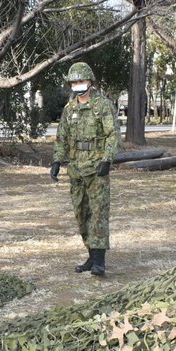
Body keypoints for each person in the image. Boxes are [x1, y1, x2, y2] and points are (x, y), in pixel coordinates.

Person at [51, 62, 120, 277]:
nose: (77, 85)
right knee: (81, 214)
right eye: (74, 82)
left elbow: (113, 134)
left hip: (97, 168)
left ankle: (99, 261)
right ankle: (91, 256)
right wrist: (56, 161)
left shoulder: (102, 105)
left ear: (90, 82)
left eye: (81, 81)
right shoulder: (69, 109)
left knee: (98, 213)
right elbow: (62, 137)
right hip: (76, 169)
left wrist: (107, 159)